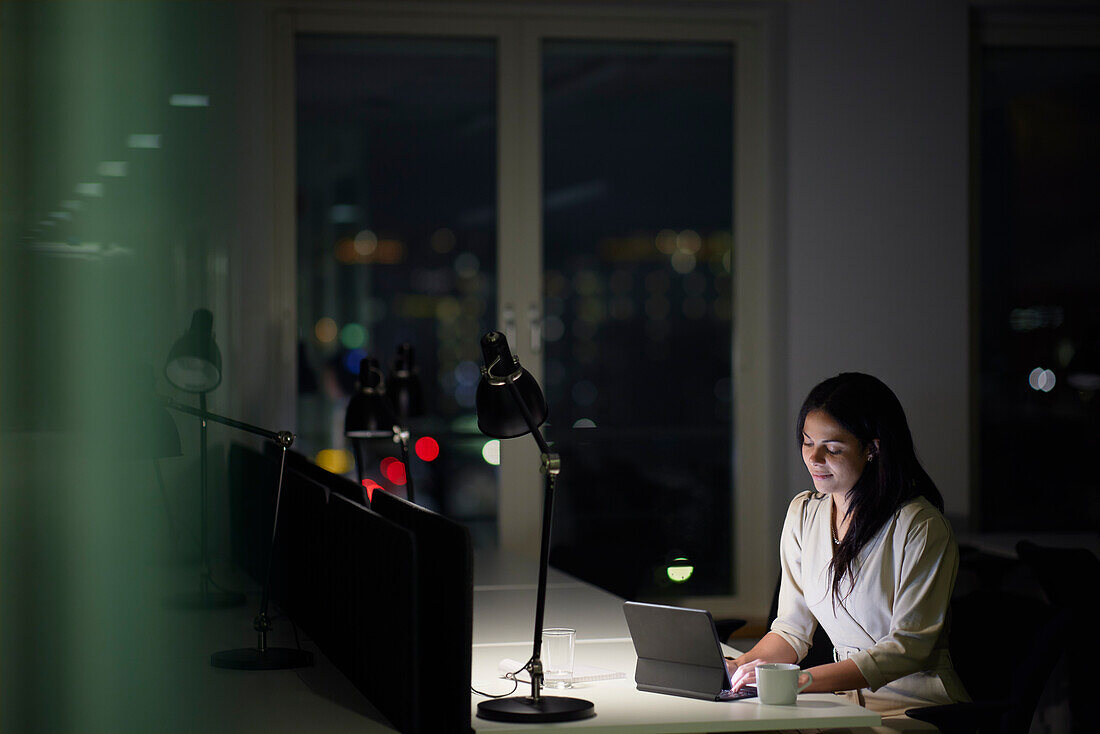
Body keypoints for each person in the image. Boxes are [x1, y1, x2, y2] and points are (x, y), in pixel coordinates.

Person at [727, 372, 969, 731]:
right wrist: (740, 668)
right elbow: (792, 630)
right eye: (807, 443)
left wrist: (802, 682)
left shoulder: (920, 526)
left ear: (873, 448)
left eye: (833, 448)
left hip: (917, 708)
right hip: (844, 704)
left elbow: (908, 648)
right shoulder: (804, 513)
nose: (814, 458)